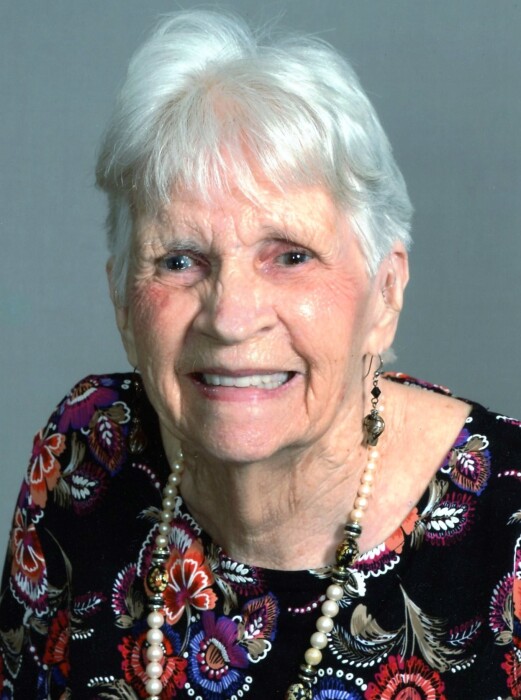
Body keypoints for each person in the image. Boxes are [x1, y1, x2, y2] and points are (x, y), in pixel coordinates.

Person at [1, 9, 520, 699]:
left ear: (385, 292)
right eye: (180, 260)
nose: (231, 317)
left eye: (291, 256)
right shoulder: (85, 453)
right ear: (123, 301)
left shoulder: (511, 526)